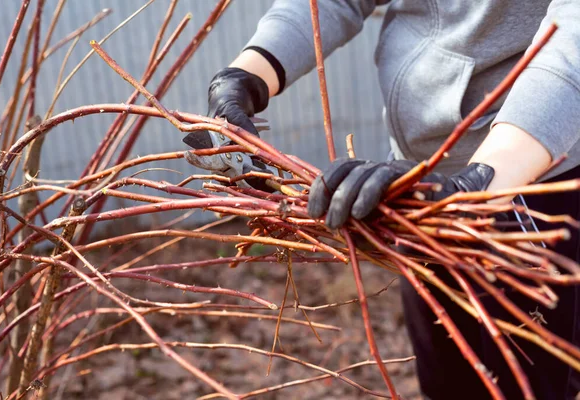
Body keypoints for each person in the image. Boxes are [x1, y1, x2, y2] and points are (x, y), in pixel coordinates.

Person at [202, 1, 580, 398]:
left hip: (533, 176)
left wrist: (482, 182)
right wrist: (250, 73)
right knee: (447, 384)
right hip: (417, 191)